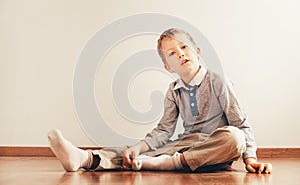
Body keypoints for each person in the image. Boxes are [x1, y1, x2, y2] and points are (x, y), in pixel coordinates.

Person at [48, 28, 272, 174]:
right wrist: (138, 147)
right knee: (134, 151)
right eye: (172, 54)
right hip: (186, 145)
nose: (181, 54)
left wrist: (250, 158)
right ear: (167, 67)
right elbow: (164, 131)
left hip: (214, 149)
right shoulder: (173, 91)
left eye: (184, 47)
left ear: (197, 51)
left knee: (235, 136)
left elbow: (240, 123)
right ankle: (86, 158)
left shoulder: (218, 81)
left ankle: (164, 163)